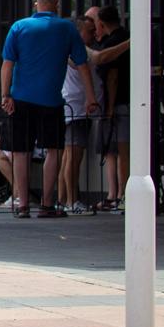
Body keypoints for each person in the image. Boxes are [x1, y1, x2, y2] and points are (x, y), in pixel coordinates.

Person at [1, 0, 99, 218]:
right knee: (53, 151)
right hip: (51, 100)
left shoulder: (19, 27)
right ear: (57, 5)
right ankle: (47, 204)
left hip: (21, 98)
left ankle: (22, 204)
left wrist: (6, 95)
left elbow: (8, 64)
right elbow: (83, 65)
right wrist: (91, 98)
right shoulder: (67, 28)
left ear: (37, 4)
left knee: (20, 151)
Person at [59, 16, 103, 213]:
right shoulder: (77, 49)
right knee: (73, 156)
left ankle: (62, 199)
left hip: (74, 107)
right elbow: (99, 58)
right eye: (90, 31)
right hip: (76, 108)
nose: (94, 34)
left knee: (69, 156)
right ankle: (71, 200)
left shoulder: (70, 48)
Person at [94, 5, 131, 212]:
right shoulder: (127, 37)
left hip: (117, 102)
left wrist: (108, 107)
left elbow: (112, 77)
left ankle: (119, 194)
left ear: (102, 24)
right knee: (122, 149)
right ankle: (120, 194)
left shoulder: (110, 44)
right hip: (128, 99)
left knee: (116, 149)